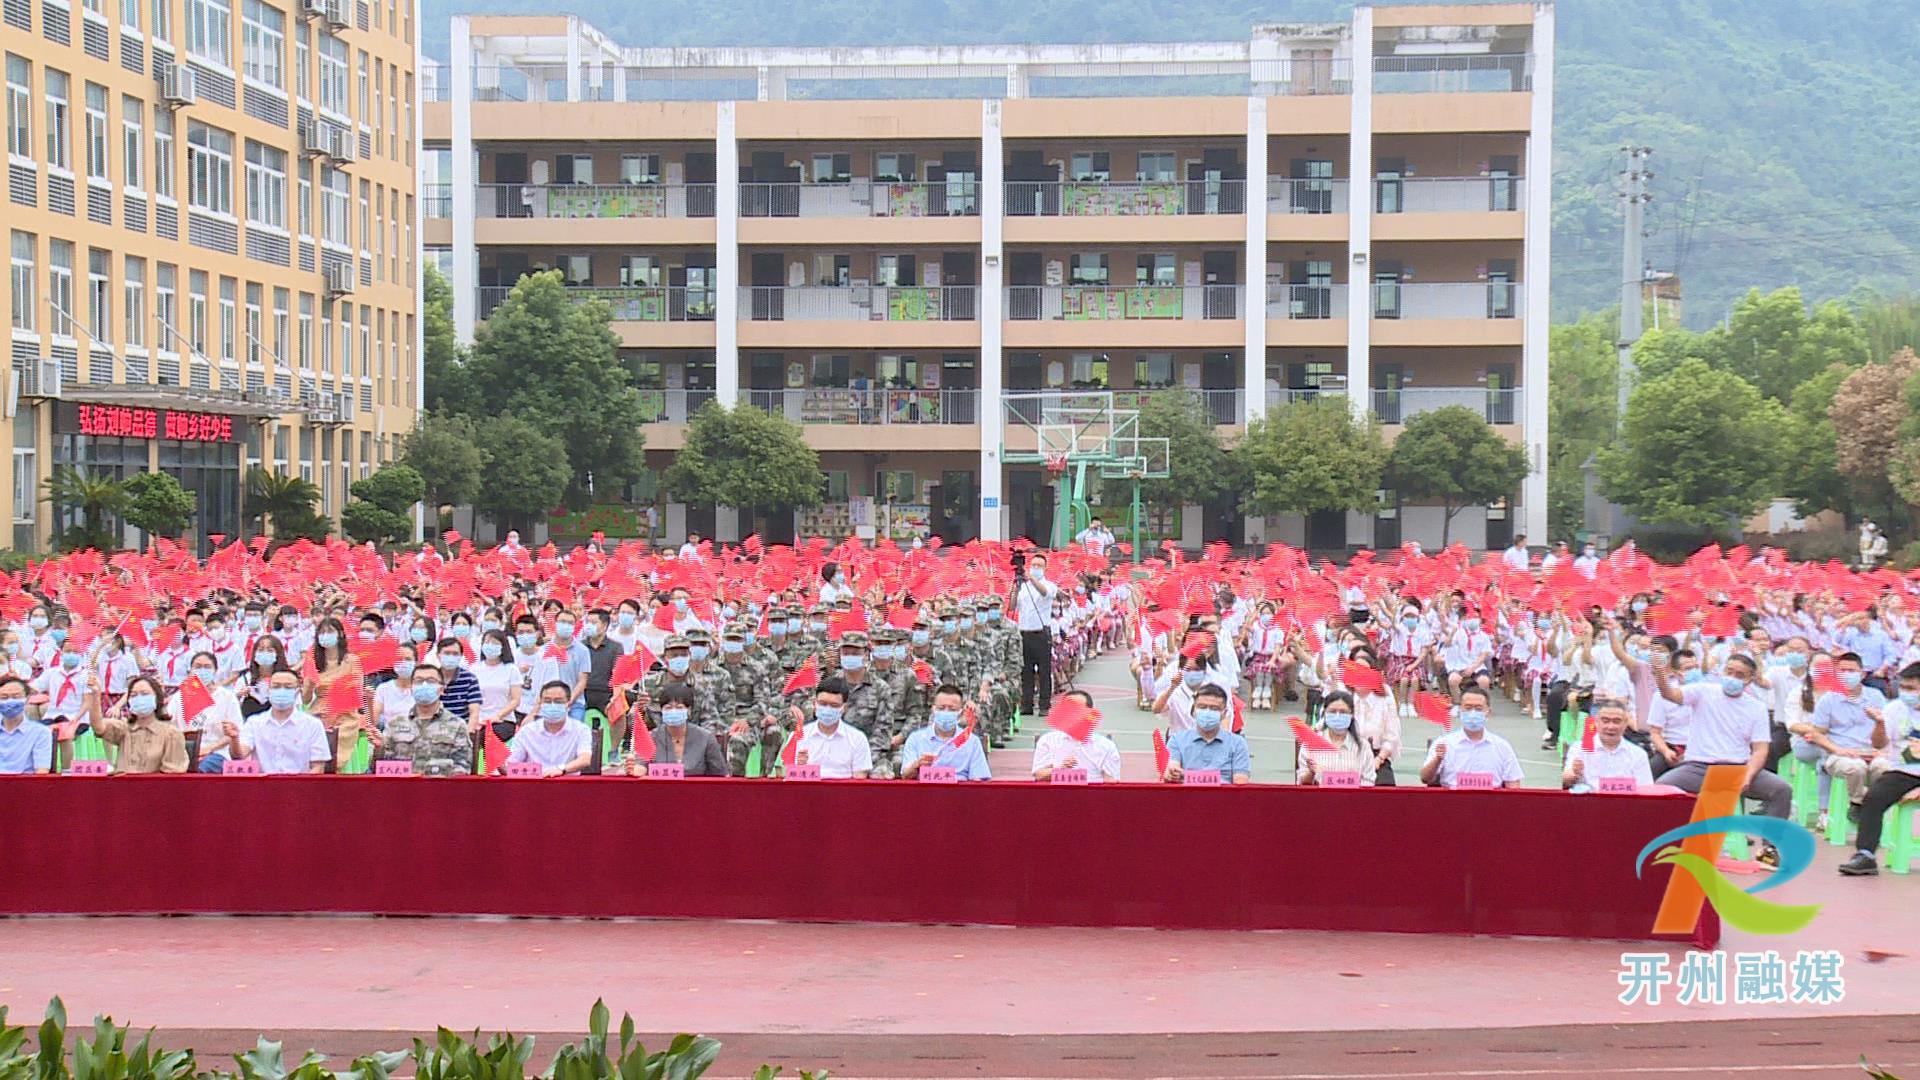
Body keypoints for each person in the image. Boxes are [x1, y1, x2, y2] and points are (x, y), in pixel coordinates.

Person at [1651, 652, 1792, 868]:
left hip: (1738, 768)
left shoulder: (1756, 708)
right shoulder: (1703, 691)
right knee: (1661, 789)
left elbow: (1760, 749)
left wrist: (1749, 774)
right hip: (1699, 767)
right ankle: (1668, 844)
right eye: (1729, 671)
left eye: (1740, 675)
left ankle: (1769, 849)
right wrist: (1660, 675)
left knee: (1781, 789)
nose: (1732, 678)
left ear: (1749, 679)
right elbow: (1671, 694)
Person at [1840, 662, 1920, 875]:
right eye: (1903, 688)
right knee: (1873, 798)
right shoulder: (1895, 709)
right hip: (1903, 771)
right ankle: (1865, 855)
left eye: (1912, 689)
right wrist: (1879, 724)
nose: (1906, 693)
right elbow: (1878, 744)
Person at [1802, 651, 1889, 826]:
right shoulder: (1828, 700)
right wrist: (1838, 750)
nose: (1846, 675)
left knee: (1884, 768)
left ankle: (1873, 807)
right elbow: (1817, 733)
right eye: (1842, 671)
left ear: (1862, 674)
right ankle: (1857, 803)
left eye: (1851, 671)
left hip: (1871, 752)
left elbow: (1884, 737)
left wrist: (1879, 727)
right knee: (1855, 767)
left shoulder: (1876, 697)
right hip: (1840, 754)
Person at [369, 662, 474, 776]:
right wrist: (380, 748)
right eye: (418, 681)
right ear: (411, 688)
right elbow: (379, 768)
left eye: (430, 681)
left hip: (441, 790)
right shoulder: (395, 724)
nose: (424, 685)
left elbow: (463, 769)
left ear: (442, 689)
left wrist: (425, 774)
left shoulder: (457, 725)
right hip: (402, 789)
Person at [228, 670, 331, 774]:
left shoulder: (313, 725)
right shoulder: (254, 723)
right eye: (276, 687)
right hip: (263, 786)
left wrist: (299, 787)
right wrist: (234, 738)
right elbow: (239, 755)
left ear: (297, 692)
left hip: (299, 785)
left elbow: (318, 767)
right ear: (269, 691)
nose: (282, 691)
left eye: (288, 687)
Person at [1420, 687, 1524, 789]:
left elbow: (1513, 784)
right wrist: (1437, 759)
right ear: (1460, 710)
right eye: (1468, 708)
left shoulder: (1502, 746)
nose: (1473, 713)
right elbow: (1425, 778)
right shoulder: (1444, 743)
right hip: (1453, 801)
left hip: (1492, 802)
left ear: (1488, 712)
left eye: (1478, 709)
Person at [627, 683, 728, 776]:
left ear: (689, 710)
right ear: (661, 710)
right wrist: (634, 769)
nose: (673, 711)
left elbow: (720, 775)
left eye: (679, 707)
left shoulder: (706, 738)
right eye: (668, 707)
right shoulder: (650, 738)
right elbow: (640, 766)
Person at [94, 674, 189, 774]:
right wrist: (95, 696)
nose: (139, 699)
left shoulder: (171, 734)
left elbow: (173, 775)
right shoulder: (124, 729)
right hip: (121, 786)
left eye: (144, 694)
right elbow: (99, 727)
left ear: (157, 698)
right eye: (133, 695)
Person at [1160, 684, 1251, 784]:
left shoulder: (1238, 743)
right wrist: (1172, 773)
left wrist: (1187, 776)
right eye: (1202, 707)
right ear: (1194, 710)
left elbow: (1241, 781)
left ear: (1224, 713)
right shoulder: (1176, 740)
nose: (1207, 711)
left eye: (1214, 708)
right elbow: (1171, 770)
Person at [898, 685, 992, 781]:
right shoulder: (915, 739)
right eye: (941, 708)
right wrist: (916, 765)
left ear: (960, 712)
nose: (946, 712)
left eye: (952, 709)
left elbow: (979, 780)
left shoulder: (972, 742)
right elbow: (905, 776)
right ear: (933, 709)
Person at [1562, 695, 1653, 791]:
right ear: (1596, 722)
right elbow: (1567, 777)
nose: (1610, 727)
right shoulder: (1579, 748)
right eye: (1605, 721)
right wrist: (1572, 775)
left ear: (1626, 723)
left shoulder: (1638, 754)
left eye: (1616, 721)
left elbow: (1646, 789)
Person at [505, 680, 594, 776]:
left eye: (558, 701)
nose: (552, 705)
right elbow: (512, 765)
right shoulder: (526, 732)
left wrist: (561, 769)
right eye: (547, 701)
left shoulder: (581, 730)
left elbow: (584, 759)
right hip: (534, 784)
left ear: (568, 704)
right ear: (540, 703)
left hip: (567, 783)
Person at [1031, 689, 1123, 782]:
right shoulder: (1048, 740)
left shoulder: (1106, 746)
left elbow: (1111, 780)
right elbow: (1039, 775)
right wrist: (1060, 770)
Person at [790, 677, 872, 779]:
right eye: (823, 704)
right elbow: (790, 779)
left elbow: (859, 780)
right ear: (814, 703)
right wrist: (800, 767)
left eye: (834, 705)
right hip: (808, 792)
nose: (827, 709)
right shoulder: (798, 736)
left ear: (844, 708)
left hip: (844, 793)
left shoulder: (857, 738)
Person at [1012, 551, 1060, 717]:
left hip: (1041, 633)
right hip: (1024, 633)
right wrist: (1016, 586)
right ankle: (1027, 703)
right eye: (1033, 565)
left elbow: (1044, 593)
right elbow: (1013, 607)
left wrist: (1030, 578)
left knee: (1044, 670)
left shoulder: (1050, 585)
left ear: (1045, 568)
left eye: (1039, 566)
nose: (1036, 568)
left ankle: (1044, 704)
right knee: (1026, 671)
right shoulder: (1023, 588)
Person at [1298, 691, 1377, 786]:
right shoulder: (1310, 744)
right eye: (1332, 711)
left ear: (1351, 715)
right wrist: (1311, 773)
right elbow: (1302, 783)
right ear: (1325, 713)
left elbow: (1368, 781)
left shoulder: (1363, 746)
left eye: (1343, 712)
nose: (1337, 716)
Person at [0, 675, 51, 774]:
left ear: (27, 698)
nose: (10, 701)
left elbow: (42, 771)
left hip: (25, 786)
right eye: (4, 697)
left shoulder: (41, 733)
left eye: (16, 697)